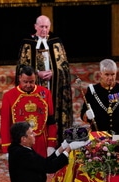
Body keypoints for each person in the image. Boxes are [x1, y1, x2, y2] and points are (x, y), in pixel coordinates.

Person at [17, 15, 73, 143]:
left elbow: (64, 67)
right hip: (34, 88)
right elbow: (21, 67)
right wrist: (37, 74)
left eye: (46, 27)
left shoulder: (56, 42)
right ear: (35, 26)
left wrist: (54, 72)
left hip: (54, 88)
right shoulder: (27, 43)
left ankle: (56, 141)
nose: (44, 30)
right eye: (41, 26)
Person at [0, 65, 57, 158]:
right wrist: (6, 148)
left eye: (31, 82)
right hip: (20, 143)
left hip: (41, 142)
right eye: (25, 82)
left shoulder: (45, 93)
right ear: (19, 78)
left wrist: (51, 144)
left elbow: (51, 121)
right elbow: (5, 124)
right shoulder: (9, 96)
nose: (28, 85)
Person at [80, 59, 119, 135]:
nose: (110, 78)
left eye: (113, 74)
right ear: (100, 74)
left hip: (118, 134)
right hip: (98, 134)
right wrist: (87, 115)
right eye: (107, 74)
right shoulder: (93, 90)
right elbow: (83, 114)